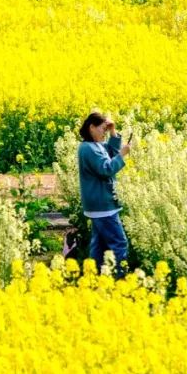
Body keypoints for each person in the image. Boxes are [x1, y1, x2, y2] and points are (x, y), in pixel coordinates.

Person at [77, 111, 131, 276]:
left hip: (100, 204)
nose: (104, 133)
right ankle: (119, 280)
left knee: (98, 246)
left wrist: (113, 132)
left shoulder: (95, 146)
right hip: (103, 205)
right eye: (102, 129)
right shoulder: (88, 149)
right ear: (91, 128)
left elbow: (110, 152)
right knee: (119, 244)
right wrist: (122, 154)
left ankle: (92, 278)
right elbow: (106, 169)